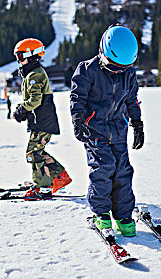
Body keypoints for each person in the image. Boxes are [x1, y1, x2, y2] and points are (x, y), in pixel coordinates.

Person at [70, 25, 144, 237]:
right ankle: (101, 213)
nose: (119, 72)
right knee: (103, 168)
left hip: (118, 129)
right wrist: (78, 119)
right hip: (94, 129)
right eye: (114, 67)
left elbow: (132, 99)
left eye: (124, 67)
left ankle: (123, 215)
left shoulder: (128, 73)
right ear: (102, 51)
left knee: (123, 171)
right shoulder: (87, 69)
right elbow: (77, 98)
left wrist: (137, 124)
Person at [12, 38, 72, 197]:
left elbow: (35, 100)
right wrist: (25, 111)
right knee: (37, 151)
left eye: (20, 56)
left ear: (31, 55)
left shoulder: (35, 75)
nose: (19, 61)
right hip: (41, 121)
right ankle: (59, 177)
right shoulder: (33, 73)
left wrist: (21, 109)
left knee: (33, 153)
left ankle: (43, 187)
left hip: (42, 123)